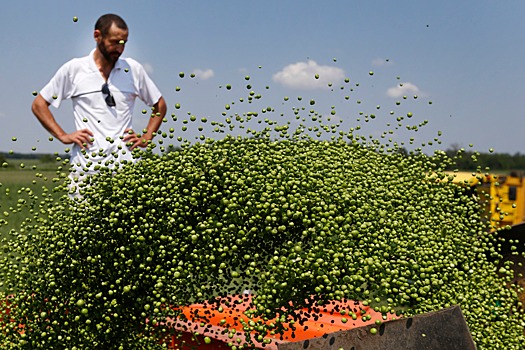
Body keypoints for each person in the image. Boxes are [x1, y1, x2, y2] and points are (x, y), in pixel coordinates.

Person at [31, 13, 167, 195]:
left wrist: (146, 137)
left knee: (126, 223)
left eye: (124, 43)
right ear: (97, 36)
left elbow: (159, 105)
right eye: (115, 42)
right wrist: (63, 136)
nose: (120, 49)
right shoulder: (74, 69)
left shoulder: (132, 69)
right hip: (85, 171)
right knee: (81, 223)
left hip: (125, 169)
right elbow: (39, 104)